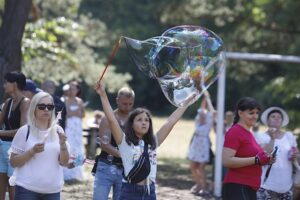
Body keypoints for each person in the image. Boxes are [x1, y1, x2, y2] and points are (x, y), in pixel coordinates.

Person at [94, 80, 195, 200]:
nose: (144, 122)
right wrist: (103, 94)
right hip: (130, 192)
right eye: (139, 120)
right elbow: (111, 119)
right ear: (131, 124)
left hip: (150, 192)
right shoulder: (124, 142)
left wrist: (187, 102)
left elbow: (170, 122)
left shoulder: (153, 142)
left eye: (146, 120)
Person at [9, 91, 69, 200]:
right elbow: (13, 162)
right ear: (34, 109)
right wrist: (32, 152)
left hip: (52, 191)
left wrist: (63, 145)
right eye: (41, 106)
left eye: (49, 106)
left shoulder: (58, 130)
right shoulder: (24, 131)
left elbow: (64, 162)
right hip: (26, 190)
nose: (46, 109)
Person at [222, 97, 274, 200]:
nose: (255, 116)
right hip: (237, 186)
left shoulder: (249, 134)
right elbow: (227, 160)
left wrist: (266, 159)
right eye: (251, 113)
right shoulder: (235, 131)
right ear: (240, 113)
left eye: (256, 113)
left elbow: (255, 158)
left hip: (249, 187)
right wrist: (256, 159)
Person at [93, 87, 135, 200]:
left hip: (127, 170)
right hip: (106, 166)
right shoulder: (108, 118)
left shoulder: (136, 120)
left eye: (130, 104)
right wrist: (124, 154)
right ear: (117, 100)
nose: (127, 107)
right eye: (124, 103)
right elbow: (104, 144)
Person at [0, 71, 30, 200]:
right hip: (2, 148)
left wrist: (1, 133)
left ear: (15, 84)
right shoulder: (8, 102)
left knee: (13, 194)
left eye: (7, 82)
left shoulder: (25, 102)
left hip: (15, 150)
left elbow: (23, 131)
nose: (4, 85)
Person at [255, 106, 297, 199]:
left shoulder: (289, 136)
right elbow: (265, 156)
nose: (277, 118)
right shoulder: (260, 136)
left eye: (279, 117)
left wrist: (295, 155)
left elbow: (296, 157)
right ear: (267, 121)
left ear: (282, 121)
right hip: (266, 187)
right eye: (273, 116)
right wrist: (272, 138)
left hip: (286, 187)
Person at [187, 92, 215, 196]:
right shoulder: (200, 113)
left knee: (201, 167)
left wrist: (208, 97)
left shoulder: (210, 116)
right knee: (193, 166)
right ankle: (198, 184)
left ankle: (204, 187)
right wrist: (204, 94)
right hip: (196, 142)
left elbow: (209, 107)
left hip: (204, 143)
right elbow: (202, 105)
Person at [63, 81, 85, 182]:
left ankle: (76, 173)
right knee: (69, 146)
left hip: (77, 126)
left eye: (74, 89)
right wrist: (76, 112)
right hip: (69, 126)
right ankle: (67, 173)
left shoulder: (79, 101)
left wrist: (76, 113)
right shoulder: (66, 100)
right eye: (70, 89)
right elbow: (68, 113)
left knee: (77, 147)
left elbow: (82, 114)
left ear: (77, 90)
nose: (72, 91)